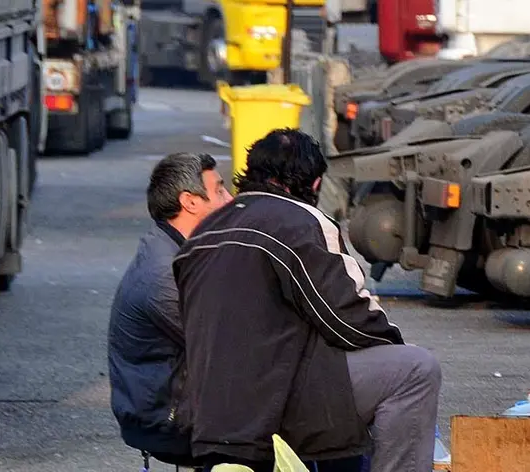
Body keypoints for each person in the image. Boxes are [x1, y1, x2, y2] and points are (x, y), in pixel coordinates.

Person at [172, 129, 442, 472]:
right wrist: (391, 346)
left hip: (203, 412)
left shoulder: (203, 234)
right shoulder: (301, 220)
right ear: (314, 185)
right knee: (414, 370)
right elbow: (347, 319)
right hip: (271, 408)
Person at [108, 152, 232, 467]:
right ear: (190, 202)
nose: (230, 199)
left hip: (182, 402)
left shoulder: (177, 249)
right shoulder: (164, 273)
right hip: (170, 420)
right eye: (219, 190)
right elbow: (228, 342)